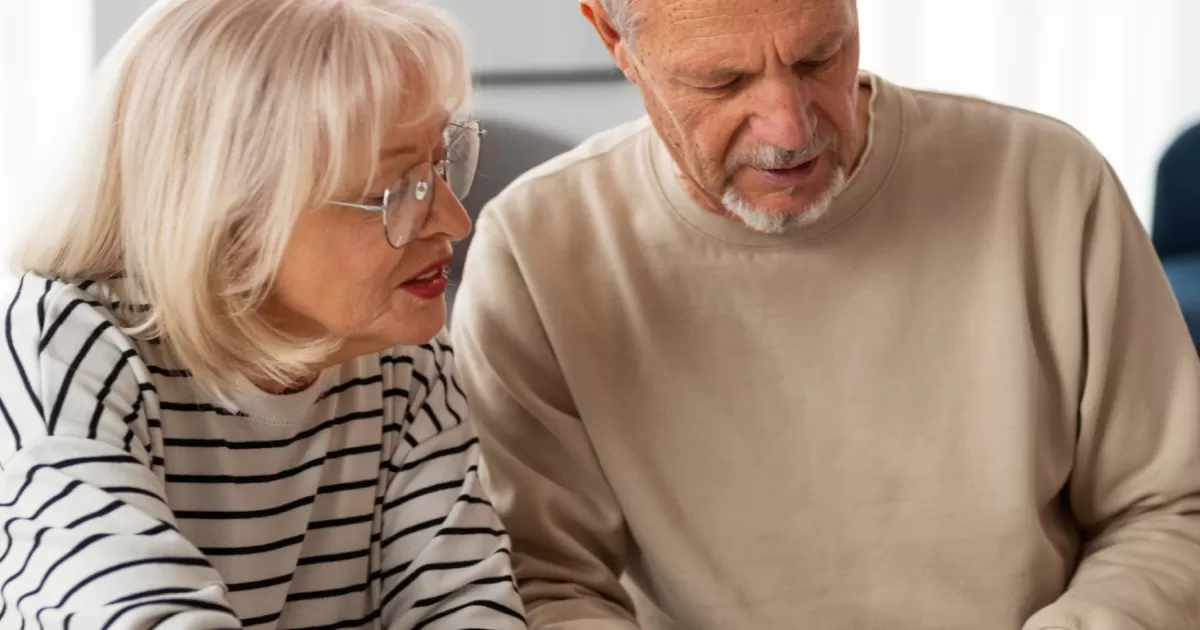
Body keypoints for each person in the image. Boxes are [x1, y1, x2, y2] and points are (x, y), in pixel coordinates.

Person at [449, 0, 1200, 628]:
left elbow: (1171, 510)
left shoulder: (1051, 184)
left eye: (818, 58)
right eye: (724, 80)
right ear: (615, 38)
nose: (789, 127)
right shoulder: (536, 248)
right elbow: (543, 583)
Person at [0, 0, 526, 628]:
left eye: (442, 164)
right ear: (232, 220)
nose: (454, 221)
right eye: (391, 191)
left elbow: (469, 612)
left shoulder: (401, 355)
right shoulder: (60, 347)